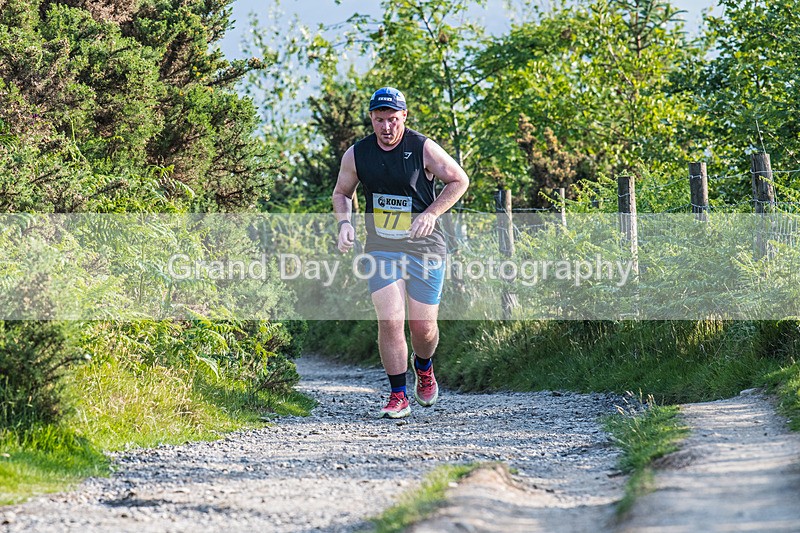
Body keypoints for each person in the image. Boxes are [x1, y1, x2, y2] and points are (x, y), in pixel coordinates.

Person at [331, 87, 469, 418]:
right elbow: (341, 193)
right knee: (390, 319)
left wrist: (431, 214)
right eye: (379, 120)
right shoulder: (357, 154)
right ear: (371, 119)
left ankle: (424, 367)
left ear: (404, 117)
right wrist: (344, 224)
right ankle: (397, 395)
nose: (386, 127)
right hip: (382, 246)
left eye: (393, 120)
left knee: (423, 328)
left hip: (425, 246)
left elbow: (459, 180)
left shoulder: (422, 147)